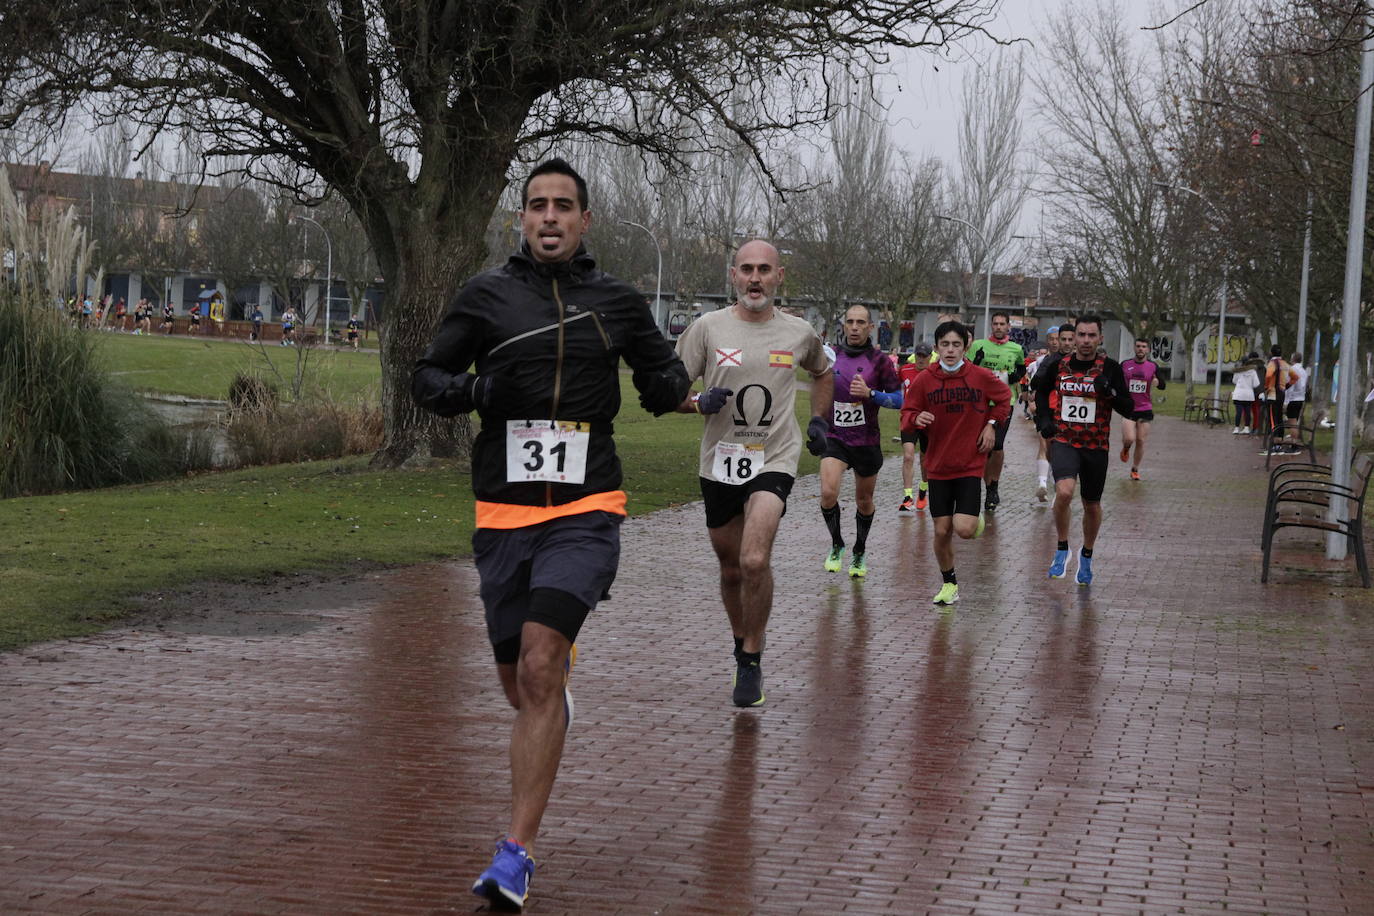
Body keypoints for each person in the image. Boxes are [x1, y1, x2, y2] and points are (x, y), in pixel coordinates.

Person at [411, 158, 689, 912]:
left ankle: (515, 854)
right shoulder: (487, 296)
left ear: (585, 220)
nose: (550, 217)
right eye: (537, 205)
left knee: (539, 665)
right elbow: (426, 380)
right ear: (522, 219)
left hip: (586, 507)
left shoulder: (618, 301)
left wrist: (675, 386)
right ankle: (552, 694)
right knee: (520, 686)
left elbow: (663, 383)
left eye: (564, 206)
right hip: (503, 514)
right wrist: (476, 390)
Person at [674, 238, 832, 708]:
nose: (755, 278)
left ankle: (752, 657)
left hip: (775, 456)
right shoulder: (707, 328)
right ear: (733, 275)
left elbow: (824, 372)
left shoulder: (799, 332)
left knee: (754, 560)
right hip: (720, 459)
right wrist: (698, 402)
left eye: (765, 269)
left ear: (779, 276)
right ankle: (740, 638)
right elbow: (669, 391)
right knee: (729, 568)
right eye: (747, 269)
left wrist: (820, 420)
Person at [901, 320, 1011, 605]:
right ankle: (949, 583)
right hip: (937, 465)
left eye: (956, 345)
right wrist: (916, 418)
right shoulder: (925, 380)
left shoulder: (980, 376)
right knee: (940, 530)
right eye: (945, 345)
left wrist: (990, 425)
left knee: (963, 529)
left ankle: (974, 518)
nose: (951, 350)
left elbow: (1003, 399)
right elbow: (907, 412)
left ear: (966, 346)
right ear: (936, 347)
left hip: (970, 463)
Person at [1032, 314, 1134, 585]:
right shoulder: (1058, 364)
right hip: (1065, 441)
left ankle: (1086, 553)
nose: (1086, 341)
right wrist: (1044, 420)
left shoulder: (1110, 367)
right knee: (1064, 492)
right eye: (1081, 335)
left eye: (1092, 336)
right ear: (1074, 336)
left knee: (1091, 504)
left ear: (1100, 338)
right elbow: (1040, 391)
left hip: (1096, 446)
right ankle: (1062, 547)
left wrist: (1109, 391)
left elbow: (1129, 407)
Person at [817, 304, 902, 577]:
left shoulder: (880, 361)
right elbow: (816, 385)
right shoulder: (831, 356)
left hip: (866, 440)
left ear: (870, 327)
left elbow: (900, 400)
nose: (854, 327)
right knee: (828, 492)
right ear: (844, 325)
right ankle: (836, 543)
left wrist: (871, 394)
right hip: (835, 436)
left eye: (860, 323)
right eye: (850, 322)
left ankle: (859, 551)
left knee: (864, 501)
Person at [968, 311, 1026, 511]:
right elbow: (967, 368)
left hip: (1004, 401)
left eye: (1003, 324)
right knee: (983, 446)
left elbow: (1021, 369)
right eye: (996, 324)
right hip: (980, 402)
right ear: (991, 326)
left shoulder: (1016, 348)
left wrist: (1013, 377)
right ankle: (984, 485)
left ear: (1008, 326)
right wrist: (976, 362)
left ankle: (994, 486)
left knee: (997, 445)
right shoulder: (978, 345)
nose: (999, 327)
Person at [1118, 337, 1166, 481]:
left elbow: (1163, 385)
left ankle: (1135, 469)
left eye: (1144, 346)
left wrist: (1157, 382)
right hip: (1128, 407)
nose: (1141, 349)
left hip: (1145, 407)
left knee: (1140, 440)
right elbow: (1117, 381)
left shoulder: (1153, 366)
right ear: (1134, 348)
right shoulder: (1125, 364)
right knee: (1129, 438)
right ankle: (1126, 448)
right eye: (1138, 346)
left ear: (1148, 349)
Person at [897, 342, 933, 513]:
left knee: (925, 461)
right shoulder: (905, 370)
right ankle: (907, 496)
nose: (920, 359)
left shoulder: (935, 374)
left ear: (930, 357)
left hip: (927, 422)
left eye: (924, 356)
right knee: (908, 456)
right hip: (909, 420)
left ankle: (923, 489)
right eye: (918, 355)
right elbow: (892, 386)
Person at [1261, 345, 1290, 442]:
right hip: (1282, 394)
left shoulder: (1272, 363)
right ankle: (1280, 439)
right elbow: (1295, 377)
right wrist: (1287, 386)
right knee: (1279, 417)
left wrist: (1266, 387)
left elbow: (1268, 375)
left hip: (1272, 394)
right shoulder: (1285, 364)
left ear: (1271, 352)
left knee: (1272, 419)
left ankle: (1273, 443)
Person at [1231, 352, 1261, 434]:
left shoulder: (1238, 371)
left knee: (1239, 412)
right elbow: (1256, 384)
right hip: (1249, 395)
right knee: (1248, 412)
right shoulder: (1253, 371)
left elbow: (1234, 381)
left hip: (1239, 394)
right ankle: (1246, 428)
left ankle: (1236, 428)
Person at [1282, 352, 1308, 446]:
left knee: (1292, 423)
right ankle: (1294, 439)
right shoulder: (1303, 371)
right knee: (1295, 421)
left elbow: (1290, 386)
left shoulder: (1292, 369)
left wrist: (1286, 401)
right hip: (1300, 398)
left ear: (1293, 359)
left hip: (1293, 399)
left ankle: (1294, 444)